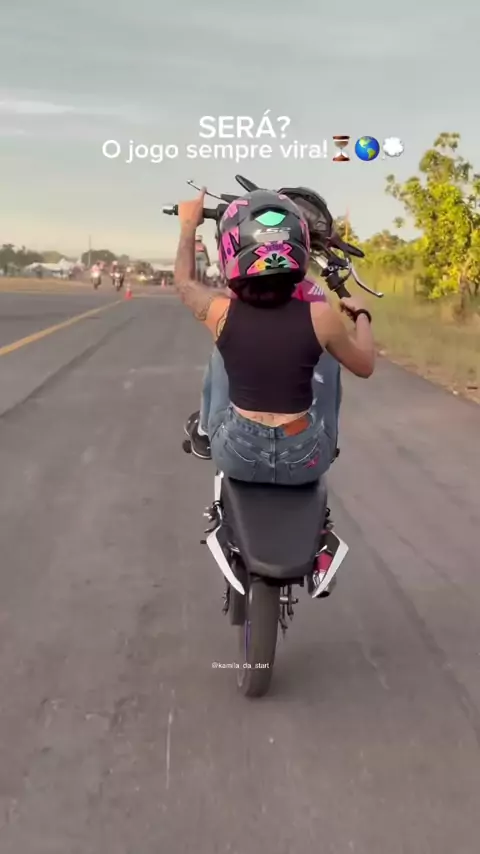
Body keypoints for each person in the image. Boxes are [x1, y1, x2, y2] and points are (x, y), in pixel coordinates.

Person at [174, 188, 375, 485]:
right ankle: (329, 444)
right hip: (305, 457)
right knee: (330, 359)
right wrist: (362, 315)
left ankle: (203, 433)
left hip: (237, 453)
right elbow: (365, 365)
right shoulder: (321, 317)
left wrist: (189, 225)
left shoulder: (221, 313)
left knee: (220, 354)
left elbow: (184, 282)